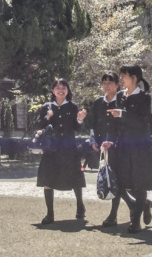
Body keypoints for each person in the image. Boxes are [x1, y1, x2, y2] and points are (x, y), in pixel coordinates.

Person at [107, 65, 152, 233]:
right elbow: (114, 123)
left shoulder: (144, 97)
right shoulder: (119, 96)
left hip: (139, 147)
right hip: (122, 146)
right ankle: (144, 204)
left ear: (134, 78)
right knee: (120, 183)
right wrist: (109, 140)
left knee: (139, 184)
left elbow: (141, 121)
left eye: (124, 75)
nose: (121, 78)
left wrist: (123, 114)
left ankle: (135, 221)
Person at [35, 78, 87, 225]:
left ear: (67, 90)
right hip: (51, 149)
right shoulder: (46, 106)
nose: (60, 90)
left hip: (69, 148)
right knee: (48, 179)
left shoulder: (72, 106)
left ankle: (80, 206)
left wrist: (80, 120)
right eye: (57, 87)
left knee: (75, 178)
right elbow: (39, 125)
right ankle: (50, 214)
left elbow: (77, 128)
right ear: (53, 91)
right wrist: (48, 117)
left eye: (63, 87)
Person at [90, 71, 137, 227]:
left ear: (117, 84)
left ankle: (120, 212)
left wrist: (114, 141)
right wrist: (93, 141)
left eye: (110, 82)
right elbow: (92, 124)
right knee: (111, 179)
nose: (106, 85)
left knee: (118, 180)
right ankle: (134, 206)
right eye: (104, 82)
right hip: (104, 149)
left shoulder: (123, 100)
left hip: (121, 147)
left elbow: (126, 125)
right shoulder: (98, 102)